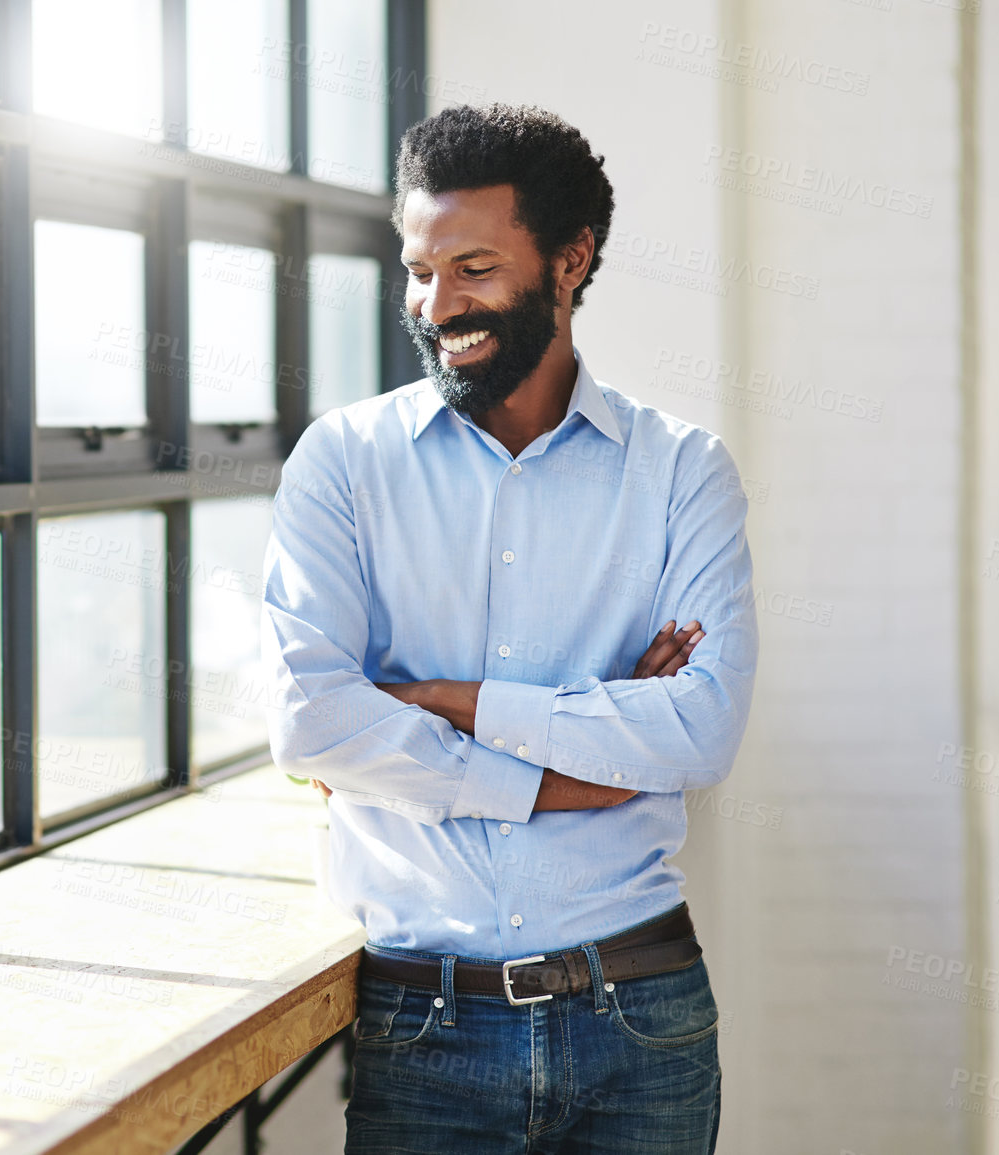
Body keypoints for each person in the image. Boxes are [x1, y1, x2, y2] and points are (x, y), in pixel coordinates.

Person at [261, 103, 758, 1152]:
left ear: (570, 261)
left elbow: (700, 732)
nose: (438, 304)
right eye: (419, 270)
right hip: (424, 1024)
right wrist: (578, 756)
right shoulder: (345, 464)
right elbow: (311, 723)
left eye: (474, 269)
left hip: (643, 1017)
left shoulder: (681, 474)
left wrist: (439, 700)